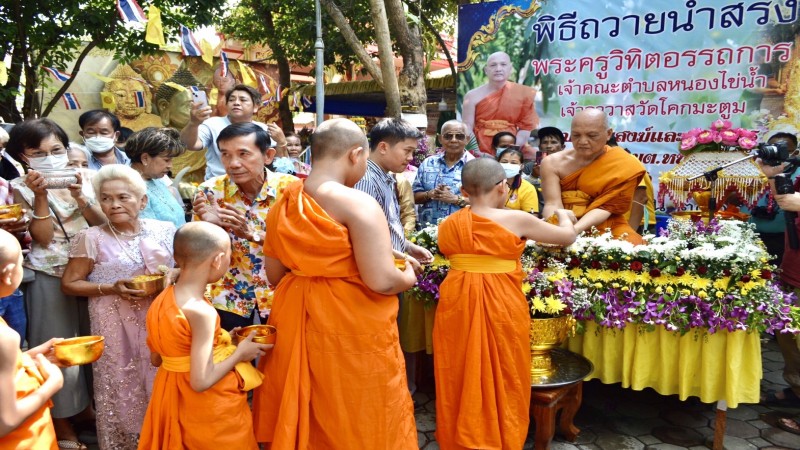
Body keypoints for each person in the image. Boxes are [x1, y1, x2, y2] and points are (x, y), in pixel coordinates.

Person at [252, 118, 418, 448]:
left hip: (294, 314)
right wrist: (409, 274)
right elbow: (383, 280)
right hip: (349, 321)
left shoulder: (282, 204)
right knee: (356, 408)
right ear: (356, 154)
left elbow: (274, 275)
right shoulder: (357, 203)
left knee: (308, 403)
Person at [434, 158, 576, 449]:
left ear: (463, 191)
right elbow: (566, 237)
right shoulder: (516, 219)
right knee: (505, 367)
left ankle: (461, 434)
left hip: (456, 301)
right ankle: (497, 435)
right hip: (501, 302)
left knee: (459, 367)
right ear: (502, 187)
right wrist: (564, 216)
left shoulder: (449, 224)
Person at [61, 165, 176, 449]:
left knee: (162, 377)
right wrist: (111, 288)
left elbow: (182, 269)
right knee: (121, 383)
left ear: (142, 201)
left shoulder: (165, 230)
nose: (114, 205)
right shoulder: (91, 238)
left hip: (156, 319)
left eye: (123, 197)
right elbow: (70, 283)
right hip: (112, 323)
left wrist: (172, 276)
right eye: (106, 198)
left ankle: (165, 439)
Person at [6, 118, 104, 449]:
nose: (49, 157)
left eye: (56, 149)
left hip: (90, 272)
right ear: (23, 156)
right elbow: (43, 240)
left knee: (89, 346)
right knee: (58, 349)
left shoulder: (84, 178)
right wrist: (41, 196)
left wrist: (81, 196)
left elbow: (104, 225)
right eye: (38, 152)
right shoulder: (17, 188)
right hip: (49, 275)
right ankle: (61, 422)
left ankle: (85, 410)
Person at [138, 222, 269, 449]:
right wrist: (240, 353)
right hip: (207, 408)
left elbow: (158, 357)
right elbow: (201, 381)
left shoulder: (163, 298)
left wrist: (223, 339)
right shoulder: (202, 312)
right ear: (218, 259)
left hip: (172, 395)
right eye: (229, 256)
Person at [191, 123, 297, 331]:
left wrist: (253, 235)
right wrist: (210, 228)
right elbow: (198, 253)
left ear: (268, 155)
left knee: (281, 358)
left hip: (281, 291)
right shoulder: (210, 192)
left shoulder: (291, 189)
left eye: (243, 154)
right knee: (231, 356)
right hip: (228, 294)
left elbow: (302, 243)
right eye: (226, 155)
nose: (233, 163)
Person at [540, 109, 645, 243]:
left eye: (592, 135)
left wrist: (574, 231)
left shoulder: (623, 163)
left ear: (608, 134)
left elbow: (605, 207)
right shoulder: (552, 163)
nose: (583, 141)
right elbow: (552, 203)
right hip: (563, 222)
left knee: (634, 252)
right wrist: (559, 228)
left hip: (607, 225)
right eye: (576, 135)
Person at [0, 229, 64, 449]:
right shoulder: (4, 338)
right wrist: (51, 385)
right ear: (8, 272)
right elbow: (4, 422)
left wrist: (25, 359)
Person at [757, 152, 800, 435]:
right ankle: (796, 389)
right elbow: (785, 201)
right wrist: (773, 175)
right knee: (788, 335)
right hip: (793, 265)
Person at [180, 84, 289, 180]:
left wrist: (281, 143)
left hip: (254, 188)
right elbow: (190, 144)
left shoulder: (264, 129)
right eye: (231, 100)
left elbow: (278, 163)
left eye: (243, 100)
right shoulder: (212, 124)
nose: (236, 103)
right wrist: (193, 123)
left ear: (256, 107)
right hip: (219, 187)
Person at [462, 51, 539, 156]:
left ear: (510, 68)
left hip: (512, 146)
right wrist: (476, 152)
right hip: (479, 146)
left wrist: (510, 150)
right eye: (493, 65)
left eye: (503, 64)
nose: (498, 69)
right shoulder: (471, 96)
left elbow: (525, 129)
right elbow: (467, 127)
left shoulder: (523, 94)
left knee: (536, 159)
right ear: (486, 70)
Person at [413, 120, 474, 226]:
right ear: (440, 139)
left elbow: (486, 203)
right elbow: (413, 197)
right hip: (426, 235)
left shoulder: (476, 166)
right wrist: (430, 194)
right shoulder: (428, 163)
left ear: (467, 139)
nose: (453, 140)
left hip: (462, 231)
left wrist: (456, 199)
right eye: (448, 136)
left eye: (459, 136)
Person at [125, 127, 187, 227]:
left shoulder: (157, 179)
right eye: (166, 160)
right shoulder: (131, 188)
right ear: (145, 158)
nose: (170, 165)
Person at [497, 146, 539, 214]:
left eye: (513, 163)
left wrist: (501, 209)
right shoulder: (488, 183)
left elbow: (532, 216)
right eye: (504, 162)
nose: (508, 165)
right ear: (497, 163)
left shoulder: (527, 188)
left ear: (521, 166)